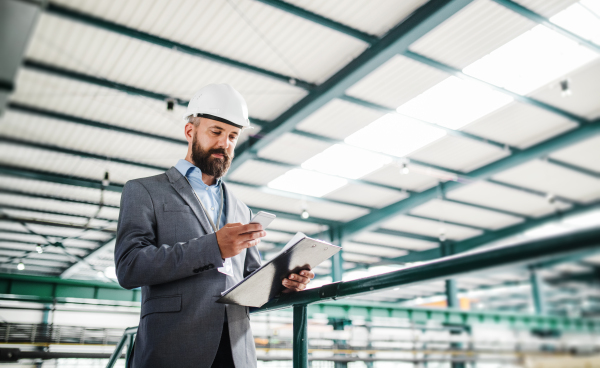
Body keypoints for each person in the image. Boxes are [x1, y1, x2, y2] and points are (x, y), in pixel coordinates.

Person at [115, 84, 315, 368]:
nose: (225, 143)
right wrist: (213, 247)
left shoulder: (241, 208)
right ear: (190, 131)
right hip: (173, 348)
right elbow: (129, 267)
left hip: (236, 351)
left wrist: (284, 282)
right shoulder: (145, 191)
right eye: (216, 131)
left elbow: (249, 280)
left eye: (233, 136)